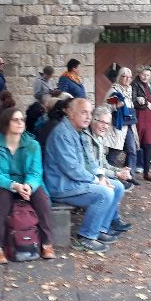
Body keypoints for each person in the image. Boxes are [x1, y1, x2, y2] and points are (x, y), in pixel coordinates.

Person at [44, 98, 125, 253]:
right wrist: (96, 181)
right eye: (84, 112)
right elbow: (72, 169)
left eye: (90, 112)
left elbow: (90, 162)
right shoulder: (63, 134)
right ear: (70, 113)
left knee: (118, 186)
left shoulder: (78, 131)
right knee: (104, 193)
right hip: (62, 186)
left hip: (74, 182)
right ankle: (86, 237)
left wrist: (101, 177)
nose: (88, 116)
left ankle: (100, 229)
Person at [0, 107, 55, 265]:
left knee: (41, 196)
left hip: (26, 184)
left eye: (22, 119)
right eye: (15, 120)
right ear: (5, 123)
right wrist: (14, 185)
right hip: (1, 186)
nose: (20, 123)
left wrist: (29, 185)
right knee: (3, 198)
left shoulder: (33, 145)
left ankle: (47, 244)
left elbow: (36, 172)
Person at [85, 105, 136, 200]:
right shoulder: (86, 137)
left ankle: (111, 215)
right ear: (93, 120)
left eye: (108, 123)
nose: (105, 126)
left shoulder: (98, 137)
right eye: (102, 122)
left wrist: (119, 171)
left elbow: (104, 163)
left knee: (119, 187)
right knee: (110, 191)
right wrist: (116, 174)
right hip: (88, 178)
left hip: (95, 175)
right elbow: (91, 168)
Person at [103, 67, 140, 184]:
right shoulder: (114, 90)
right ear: (120, 77)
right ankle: (109, 176)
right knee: (114, 152)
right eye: (125, 76)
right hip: (118, 126)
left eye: (129, 77)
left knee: (132, 150)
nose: (128, 79)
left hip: (129, 124)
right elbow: (106, 106)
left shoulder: (130, 89)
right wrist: (115, 106)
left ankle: (130, 176)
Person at [132, 67, 151, 182]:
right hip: (138, 118)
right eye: (143, 74)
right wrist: (144, 104)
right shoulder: (135, 85)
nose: (145, 77)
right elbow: (133, 102)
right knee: (134, 146)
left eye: (148, 75)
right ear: (139, 74)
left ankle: (146, 173)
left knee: (148, 145)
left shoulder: (150, 86)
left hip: (148, 120)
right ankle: (130, 173)